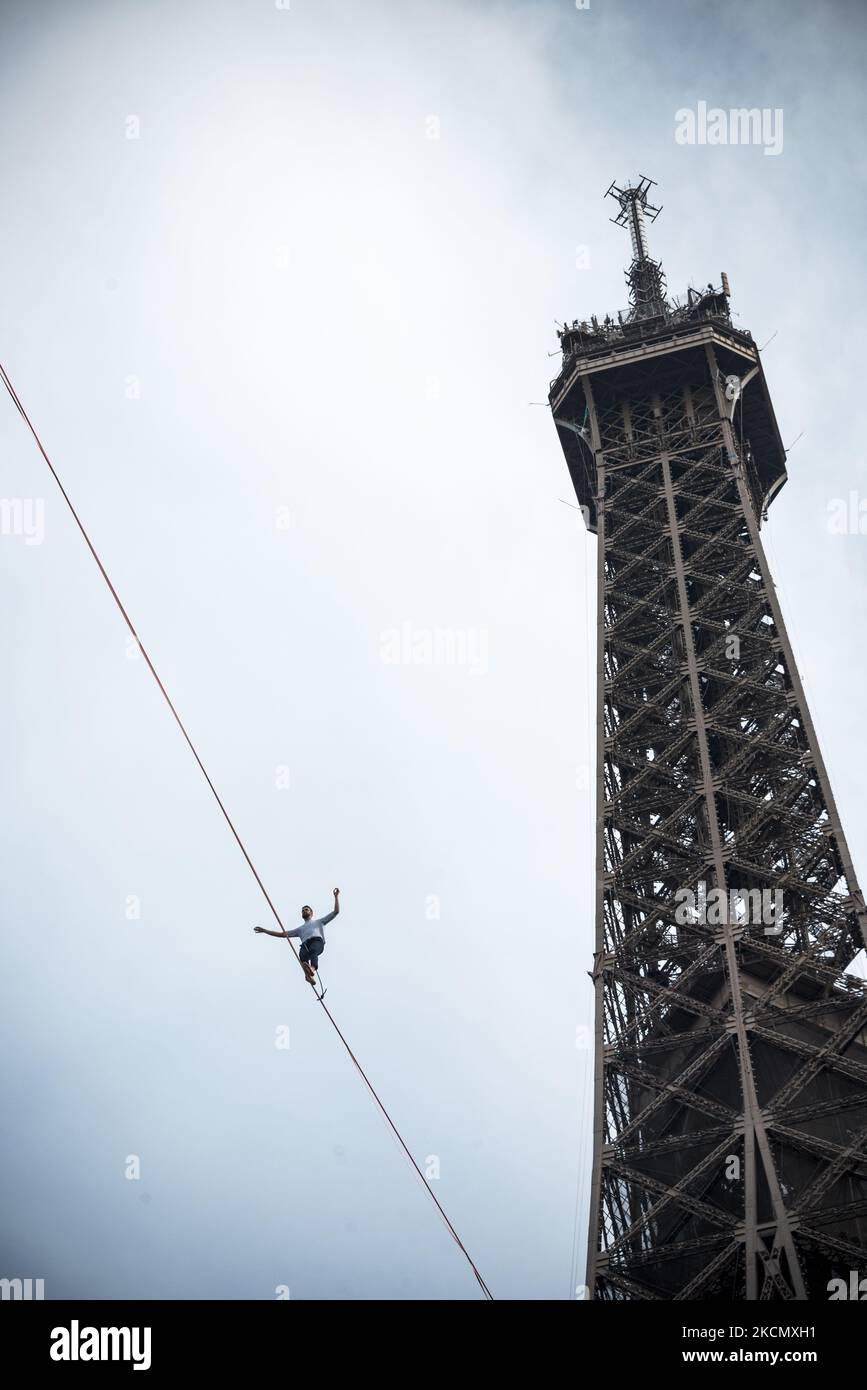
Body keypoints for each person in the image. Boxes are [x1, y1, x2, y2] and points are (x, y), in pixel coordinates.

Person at [254, 889, 341, 984]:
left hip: (317, 942)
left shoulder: (319, 922)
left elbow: (336, 912)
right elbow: (282, 934)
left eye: (306, 909)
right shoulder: (300, 929)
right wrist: (264, 931)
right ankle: (308, 976)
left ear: (311, 913)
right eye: (302, 911)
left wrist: (336, 897)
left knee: (313, 951)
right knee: (302, 956)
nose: (304, 911)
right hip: (305, 944)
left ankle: (312, 969)